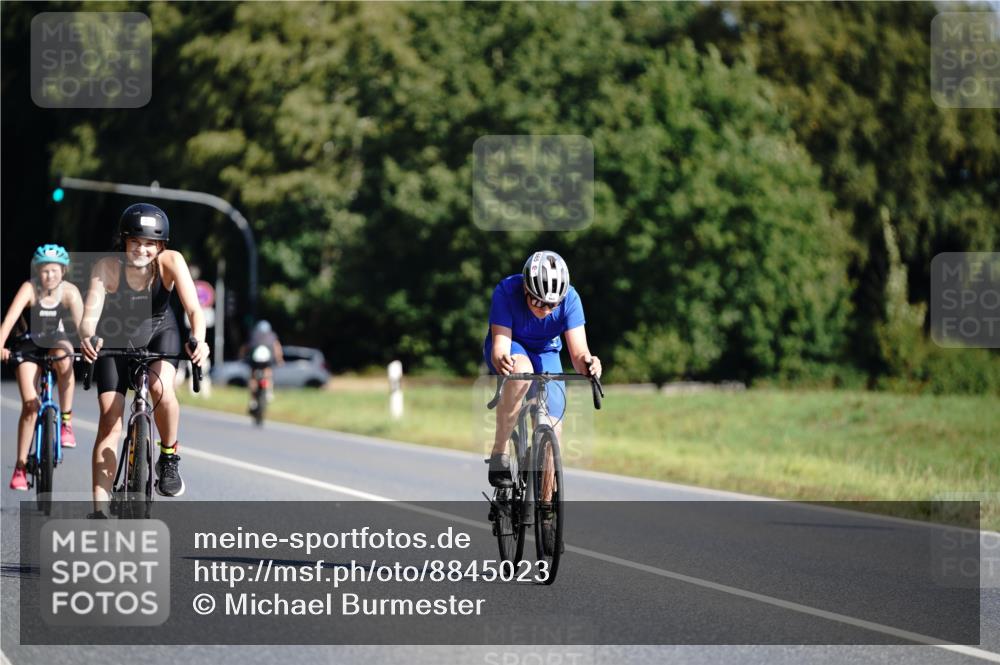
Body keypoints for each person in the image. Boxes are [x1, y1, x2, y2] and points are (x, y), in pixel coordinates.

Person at [79, 203, 209, 512]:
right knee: (110, 419)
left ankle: (168, 457)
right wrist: (87, 336)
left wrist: (199, 341)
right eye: (136, 242)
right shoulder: (106, 267)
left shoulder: (171, 261)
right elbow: (89, 316)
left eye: (151, 243)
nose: (142, 249)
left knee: (161, 389)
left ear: (161, 245)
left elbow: (194, 311)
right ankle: (99, 511)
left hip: (159, 332)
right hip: (115, 338)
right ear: (124, 241)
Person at [0, 245, 84, 489]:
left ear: (63, 271)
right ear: (38, 271)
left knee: (65, 353)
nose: (50, 275)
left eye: (55, 270)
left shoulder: (70, 292)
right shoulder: (30, 288)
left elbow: (83, 327)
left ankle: (66, 421)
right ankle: (20, 466)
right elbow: (9, 320)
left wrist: (89, 344)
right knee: (30, 405)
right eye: (45, 270)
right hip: (27, 345)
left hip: (54, 343)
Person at [241, 319, 283, 410]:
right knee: (268, 373)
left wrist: (242, 358)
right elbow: (277, 348)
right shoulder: (272, 336)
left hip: (254, 362)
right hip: (267, 362)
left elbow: (246, 347)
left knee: (253, 378)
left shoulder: (254, 335)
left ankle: (252, 400)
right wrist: (279, 360)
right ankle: (269, 392)